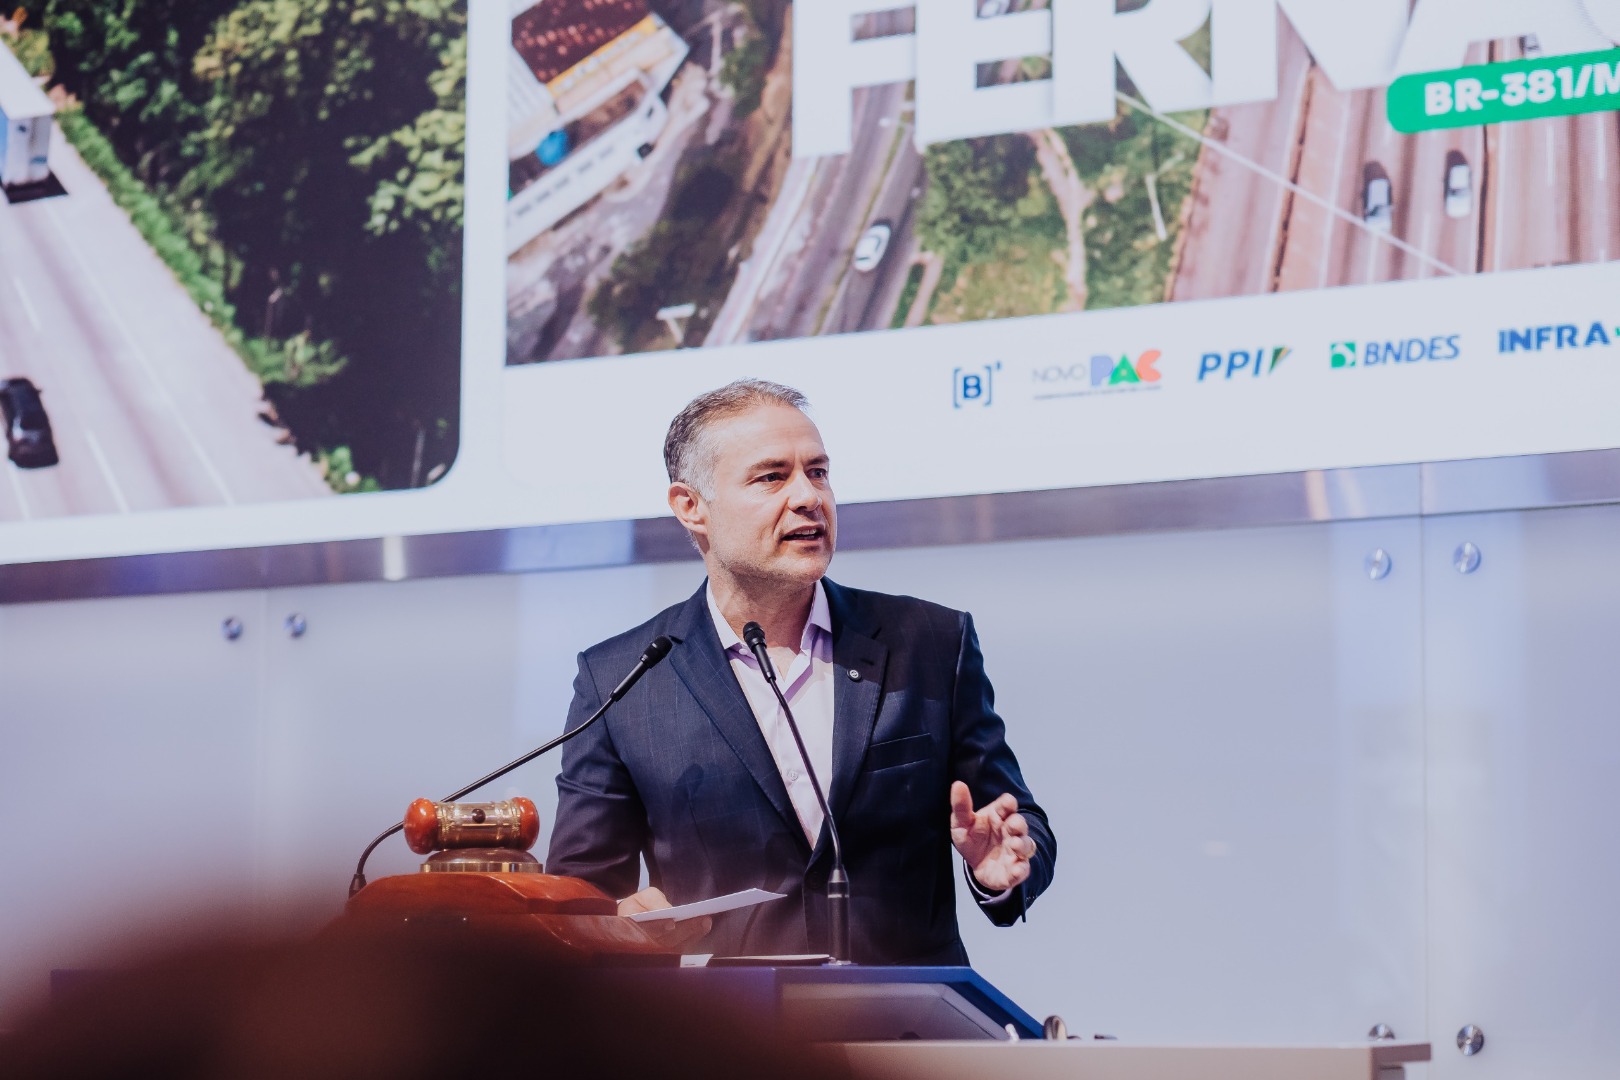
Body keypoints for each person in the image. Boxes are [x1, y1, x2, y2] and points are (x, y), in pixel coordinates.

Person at [547, 379, 1056, 963]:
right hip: (723, 1037)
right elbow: (578, 896)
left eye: (818, 472)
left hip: (910, 1031)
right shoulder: (622, 678)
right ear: (692, 508)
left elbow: (1020, 826)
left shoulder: (931, 643)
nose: (809, 497)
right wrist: (619, 926)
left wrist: (999, 869)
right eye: (772, 477)